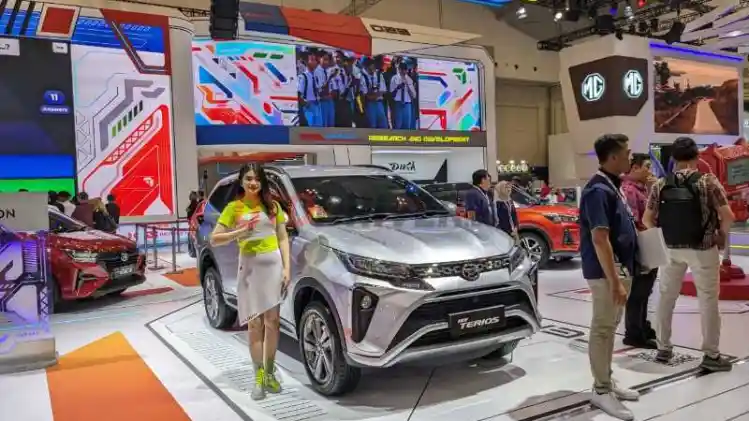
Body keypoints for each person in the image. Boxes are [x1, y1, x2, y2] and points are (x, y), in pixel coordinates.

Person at [643, 136, 734, 372]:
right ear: (697, 156)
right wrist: (720, 236)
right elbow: (728, 215)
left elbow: (647, 219)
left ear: (673, 158)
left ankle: (663, 348)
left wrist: (663, 237)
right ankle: (711, 354)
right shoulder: (708, 182)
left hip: (671, 249)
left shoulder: (661, 184)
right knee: (708, 300)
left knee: (666, 297)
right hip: (703, 249)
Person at [209, 162, 291, 401]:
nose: (253, 183)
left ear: (262, 182)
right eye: (248, 179)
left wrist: (287, 268)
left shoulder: (273, 206)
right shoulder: (234, 208)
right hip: (249, 269)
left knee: (273, 322)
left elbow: (282, 237)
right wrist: (239, 232)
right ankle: (258, 376)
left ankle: (270, 372)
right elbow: (214, 239)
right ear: (242, 182)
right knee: (255, 324)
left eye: (257, 179)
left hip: (273, 266)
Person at [579, 134, 639, 420]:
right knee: (602, 328)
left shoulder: (612, 186)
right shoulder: (597, 191)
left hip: (618, 270)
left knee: (610, 327)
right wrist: (615, 281)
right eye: (627, 153)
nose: (631, 158)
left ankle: (606, 378)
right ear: (613, 157)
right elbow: (600, 239)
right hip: (606, 273)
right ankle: (601, 389)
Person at [621, 153, 658, 349]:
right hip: (641, 244)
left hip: (649, 241)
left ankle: (642, 325)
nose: (649, 171)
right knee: (639, 290)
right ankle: (634, 332)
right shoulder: (629, 191)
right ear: (634, 168)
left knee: (646, 288)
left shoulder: (644, 188)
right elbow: (634, 222)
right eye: (646, 166)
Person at [359, 58, 388, 128]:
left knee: (383, 126)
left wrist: (372, 94)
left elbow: (383, 91)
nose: (374, 66)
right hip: (369, 105)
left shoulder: (378, 75)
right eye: (372, 64)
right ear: (366, 66)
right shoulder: (362, 77)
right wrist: (375, 94)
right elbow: (365, 95)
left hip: (379, 103)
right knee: (372, 126)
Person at [389, 62, 417, 129]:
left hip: (407, 104)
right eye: (402, 70)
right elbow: (391, 93)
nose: (404, 72)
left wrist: (407, 85)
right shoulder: (394, 78)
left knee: (407, 126)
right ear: (399, 69)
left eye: (405, 70)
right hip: (398, 104)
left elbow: (414, 95)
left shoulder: (409, 79)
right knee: (397, 125)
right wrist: (398, 87)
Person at [298, 53, 322, 127]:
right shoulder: (303, 77)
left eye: (315, 60)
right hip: (308, 107)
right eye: (312, 60)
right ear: (306, 62)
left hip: (317, 105)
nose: (315, 62)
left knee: (319, 128)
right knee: (310, 128)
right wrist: (305, 104)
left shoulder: (315, 76)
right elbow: (298, 93)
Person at [318, 51, 336, 127]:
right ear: (319, 59)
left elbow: (332, 87)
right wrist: (330, 78)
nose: (326, 62)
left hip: (330, 101)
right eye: (324, 59)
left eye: (327, 60)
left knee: (331, 124)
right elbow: (321, 89)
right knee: (323, 124)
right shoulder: (317, 72)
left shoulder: (328, 71)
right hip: (322, 102)